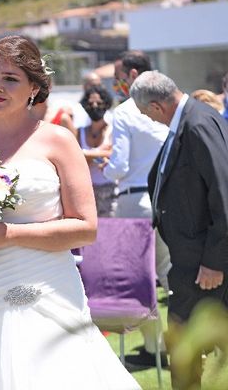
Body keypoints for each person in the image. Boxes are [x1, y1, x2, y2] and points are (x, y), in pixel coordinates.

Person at [0, 35, 140, 389]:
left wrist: (10, 234)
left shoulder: (58, 140)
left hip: (42, 284)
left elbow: (85, 228)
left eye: (10, 78)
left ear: (33, 88)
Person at [131, 71, 228, 389]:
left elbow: (223, 192)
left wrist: (214, 259)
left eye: (147, 113)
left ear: (157, 106)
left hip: (204, 262)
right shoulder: (189, 120)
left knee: (183, 342)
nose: (150, 120)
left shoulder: (197, 123)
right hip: (191, 259)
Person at [103, 50, 171, 367]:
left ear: (131, 76)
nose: (115, 83)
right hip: (166, 200)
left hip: (134, 201)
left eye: (118, 76)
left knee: (141, 280)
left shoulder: (125, 111)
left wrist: (103, 169)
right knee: (171, 277)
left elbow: (119, 164)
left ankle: (154, 349)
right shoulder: (166, 105)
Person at [76, 85, 116, 217]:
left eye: (99, 103)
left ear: (106, 104)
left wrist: (86, 154)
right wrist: (101, 153)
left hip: (110, 189)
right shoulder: (79, 132)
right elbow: (76, 160)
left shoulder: (113, 130)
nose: (94, 106)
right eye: (90, 103)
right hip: (86, 191)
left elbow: (115, 156)